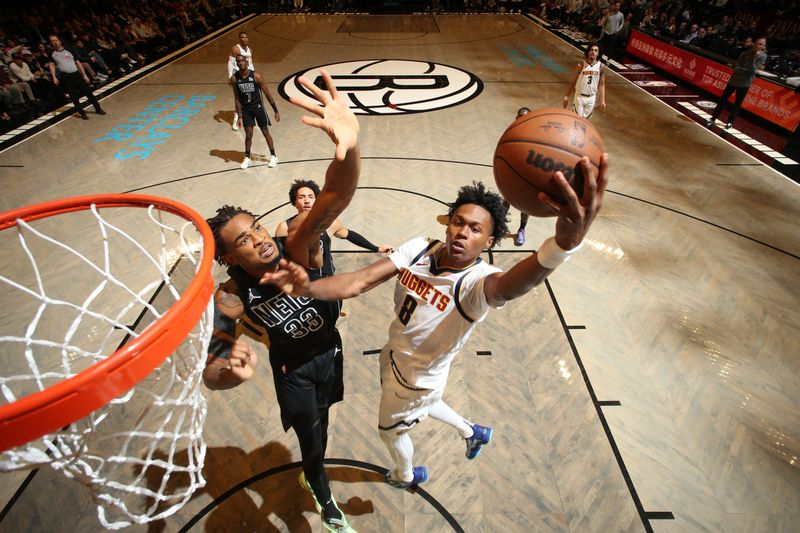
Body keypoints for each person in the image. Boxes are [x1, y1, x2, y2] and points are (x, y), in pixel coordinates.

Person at [262, 156, 608, 490]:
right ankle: (472, 432)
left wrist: (560, 247)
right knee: (422, 407)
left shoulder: (477, 282)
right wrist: (307, 287)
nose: (462, 233)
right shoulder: (420, 248)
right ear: (447, 223)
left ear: (488, 242)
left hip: (418, 380)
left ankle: (406, 475)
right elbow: (358, 281)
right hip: (395, 356)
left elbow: (510, 287)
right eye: (458, 222)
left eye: (475, 230)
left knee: (390, 431)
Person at [203, 70, 359, 533]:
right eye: (243, 241)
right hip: (290, 369)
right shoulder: (230, 297)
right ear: (230, 256)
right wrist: (228, 368)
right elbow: (213, 369)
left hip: (329, 353)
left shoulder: (298, 248)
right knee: (312, 438)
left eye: (256, 229)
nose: (257, 240)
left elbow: (335, 196)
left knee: (324, 426)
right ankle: (322, 490)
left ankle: (315, 470)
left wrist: (348, 147)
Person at [275, 179, 394, 257]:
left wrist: (376, 248)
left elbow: (350, 235)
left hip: (327, 282)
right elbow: (278, 257)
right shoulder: (285, 227)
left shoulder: (329, 223)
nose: (307, 201)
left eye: (311, 197)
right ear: (295, 202)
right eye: (302, 197)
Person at [705, 36, 767, 130]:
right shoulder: (745, 53)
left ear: (763, 46)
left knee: (737, 104)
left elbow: (753, 69)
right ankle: (713, 118)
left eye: (761, 44)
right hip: (734, 80)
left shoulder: (763, 56)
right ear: (754, 43)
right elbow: (737, 67)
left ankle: (730, 122)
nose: (758, 45)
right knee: (723, 100)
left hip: (745, 83)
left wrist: (754, 59)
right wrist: (746, 70)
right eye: (757, 43)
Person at [231, 54, 279, 170]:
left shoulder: (256, 76)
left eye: (242, 61)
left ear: (246, 62)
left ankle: (273, 156)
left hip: (258, 108)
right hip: (246, 110)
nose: (241, 63)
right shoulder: (234, 79)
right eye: (238, 61)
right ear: (236, 64)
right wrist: (239, 116)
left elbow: (268, 94)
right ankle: (247, 157)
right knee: (248, 135)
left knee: (265, 132)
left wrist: (275, 110)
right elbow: (237, 98)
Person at [47, 34, 105, 120]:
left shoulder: (69, 49)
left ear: (59, 41)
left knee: (88, 92)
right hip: (66, 77)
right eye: (52, 41)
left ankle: (98, 108)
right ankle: (82, 113)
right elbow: (51, 65)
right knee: (73, 96)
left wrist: (84, 75)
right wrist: (54, 77)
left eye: (55, 40)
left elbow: (78, 62)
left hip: (76, 74)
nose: (54, 42)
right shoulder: (52, 53)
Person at [502, 106, 531, 246]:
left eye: (525, 116)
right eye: (520, 116)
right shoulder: (511, 132)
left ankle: (521, 229)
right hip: (513, 171)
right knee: (506, 200)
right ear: (516, 118)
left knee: (525, 205)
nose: (522, 119)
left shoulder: (536, 134)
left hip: (527, 173)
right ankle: (498, 226)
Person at [563, 42, 606, 119]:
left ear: (598, 54)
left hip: (591, 98)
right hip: (579, 97)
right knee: (576, 120)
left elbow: (601, 84)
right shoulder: (580, 65)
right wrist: (566, 97)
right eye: (591, 50)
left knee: (586, 123)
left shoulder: (601, 67)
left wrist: (603, 100)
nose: (593, 52)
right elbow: (572, 82)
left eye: (596, 50)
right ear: (588, 52)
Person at [227, 31, 254, 131]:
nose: (244, 39)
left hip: (247, 76)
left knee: (249, 95)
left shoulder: (250, 50)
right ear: (239, 39)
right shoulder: (236, 49)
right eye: (242, 37)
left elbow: (250, 64)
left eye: (246, 37)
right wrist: (230, 76)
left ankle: (248, 115)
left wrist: (254, 74)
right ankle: (236, 119)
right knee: (239, 97)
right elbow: (230, 63)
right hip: (238, 76)